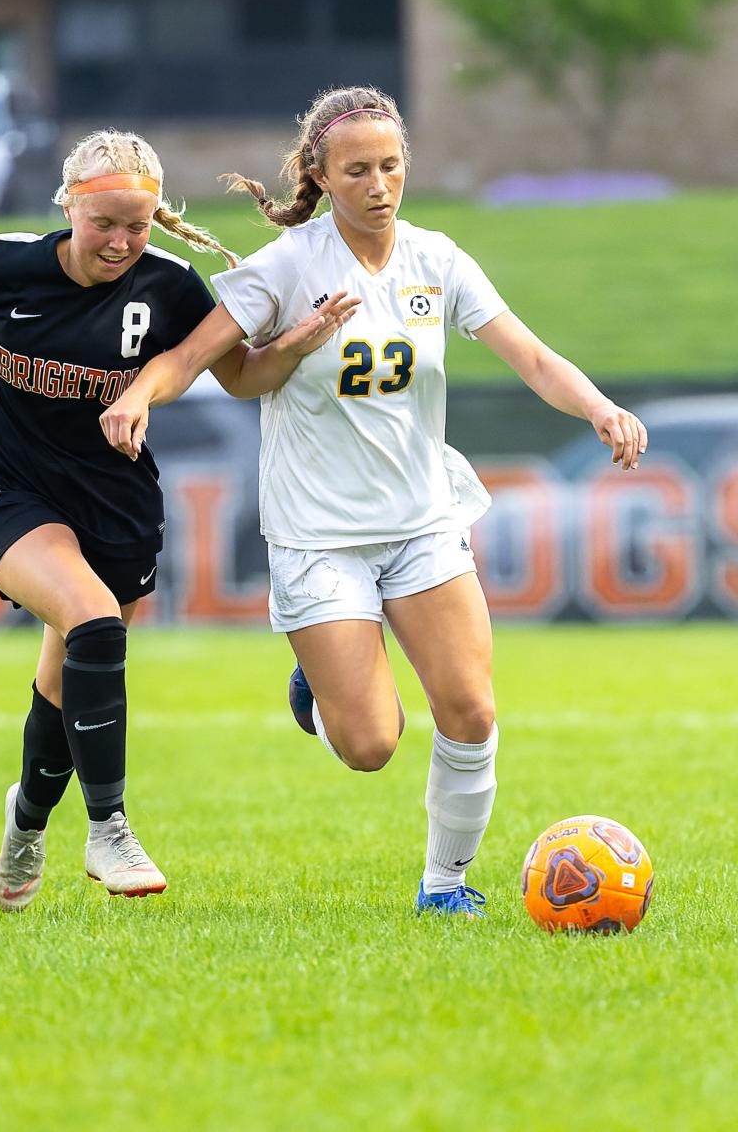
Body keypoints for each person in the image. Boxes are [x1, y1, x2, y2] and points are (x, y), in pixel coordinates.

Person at [100, 86, 648, 919]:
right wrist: (141, 396)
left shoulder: (438, 259)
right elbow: (196, 354)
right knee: (370, 744)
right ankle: (315, 692)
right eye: (357, 169)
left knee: (470, 709)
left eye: (391, 166)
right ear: (321, 172)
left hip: (424, 520)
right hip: (319, 536)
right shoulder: (287, 267)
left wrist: (600, 405)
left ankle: (445, 886)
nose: (379, 184)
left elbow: (532, 357)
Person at [0, 128, 357, 913]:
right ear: (69, 206)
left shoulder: (167, 286)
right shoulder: (8, 262)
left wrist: (298, 344)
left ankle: (27, 821)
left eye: (137, 225)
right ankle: (109, 827)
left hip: (119, 502)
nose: (121, 241)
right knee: (94, 621)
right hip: (16, 488)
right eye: (105, 223)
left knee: (68, 676)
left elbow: (238, 376)